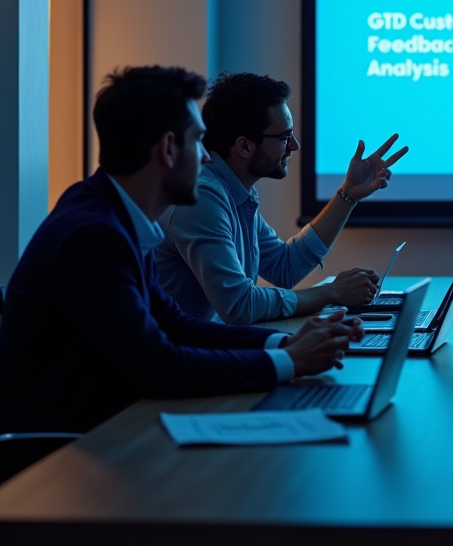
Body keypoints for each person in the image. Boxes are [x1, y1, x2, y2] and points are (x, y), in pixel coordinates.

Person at [0, 66, 364, 433]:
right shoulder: (94, 236)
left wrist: (284, 342)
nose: (207, 158)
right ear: (169, 149)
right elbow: (158, 365)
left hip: (107, 424)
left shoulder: (116, 216)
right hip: (63, 452)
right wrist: (288, 362)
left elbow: (176, 325)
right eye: (199, 142)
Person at [155, 73, 408, 325]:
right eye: (284, 137)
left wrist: (348, 193)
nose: (294, 145)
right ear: (244, 147)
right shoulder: (201, 198)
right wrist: (333, 292)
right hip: (181, 360)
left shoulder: (234, 192)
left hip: (212, 349)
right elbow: (239, 305)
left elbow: (284, 267)